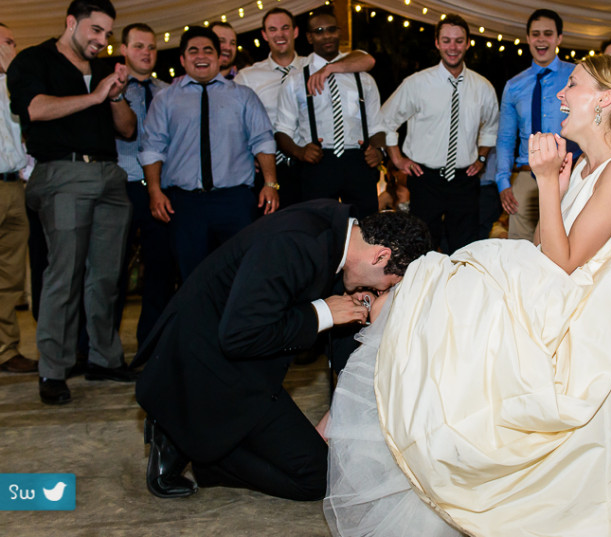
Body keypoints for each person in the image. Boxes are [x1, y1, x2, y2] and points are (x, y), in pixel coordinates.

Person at [324, 54, 611, 536]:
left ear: (605, 99)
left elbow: (563, 262)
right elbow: (547, 251)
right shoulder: (595, 165)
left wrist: (547, 182)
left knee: (426, 300)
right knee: (431, 291)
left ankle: (410, 440)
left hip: (578, 307)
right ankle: (410, 435)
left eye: (573, 85)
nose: (561, 95)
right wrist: (557, 190)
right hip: (556, 288)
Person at [133, 203, 431, 501]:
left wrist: (346, 293)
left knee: (309, 462)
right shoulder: (293, 245)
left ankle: (200, 441)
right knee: (316, 479)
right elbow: (239, 336)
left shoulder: (335, 229)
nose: (379, 293)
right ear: (381, 256)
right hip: (204, 368)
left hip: (241, 362)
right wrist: (323, 312)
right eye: (386, 285)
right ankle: (180, 433)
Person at [7, 0, 136, 405]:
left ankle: (104, 358)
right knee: (63, 275)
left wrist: (115, 95)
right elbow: (35, 109)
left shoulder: (103, 68)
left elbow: (128, 131)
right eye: (95, 30)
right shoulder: (34, 60)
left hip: (110, 176)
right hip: (62, 174)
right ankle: (54, 369)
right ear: (71, 22)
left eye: (107, 33)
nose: (101, 40)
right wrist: (95, 96)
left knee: (106, 277)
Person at [139, 26, 278, 280]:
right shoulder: (165, 99)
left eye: (208, 50)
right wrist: (154, 191)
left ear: (218, 57)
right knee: (191, 278)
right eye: (193, 51)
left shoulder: (243, 96)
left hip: (235, 201)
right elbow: (152, 147)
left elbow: (263, 141)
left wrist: (270, 183)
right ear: (182, 59)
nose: (201, 56)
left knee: (241, 275)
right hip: (184, 204)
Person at [379, 14, 499, 252]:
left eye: (458, 41)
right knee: (422, 247)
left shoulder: (483, 87)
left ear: (467, 43)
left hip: (464, 180)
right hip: (425, 178)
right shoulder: (416, 84)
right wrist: (397, 158)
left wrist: (482, 158)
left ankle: (459, 289)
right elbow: (386, 120)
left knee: (465, 248)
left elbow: (491, 127)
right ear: (437, 43)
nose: (452, 47)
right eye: (446, 40)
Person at [236, 8, 375, 206]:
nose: (280, 34)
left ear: (295, 32)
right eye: (273, 29)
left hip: (309, 163)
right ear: (265, 35)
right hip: (272, 167)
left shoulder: (312, 64)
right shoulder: (248, 76)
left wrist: (329, 68)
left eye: (285, 28)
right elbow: (237, 123)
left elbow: (365, 59)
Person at [273, 8, 384, 217]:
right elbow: (282, 130)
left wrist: (378, 150)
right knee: (318, 228)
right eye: (319, 31)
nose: (327, 36)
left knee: (368, 228)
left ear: (340, 32)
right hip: (318, 163)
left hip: (357, 161)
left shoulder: (363, 78)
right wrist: (300, 152)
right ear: (309, 37)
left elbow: (377, 125)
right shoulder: (296, 79)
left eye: (332, 30)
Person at [115, 23, 176, 348]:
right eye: (139, 46)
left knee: (160, 271)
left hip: (160, 188)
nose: (146, 53)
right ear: (123, 50)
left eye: (151, 47)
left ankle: (151, 344)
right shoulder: (109, 88)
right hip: (120, 186)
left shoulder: (169, 91)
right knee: (112, 272)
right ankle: (102, 349)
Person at [496, 9, 578, 240]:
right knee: (519, 252)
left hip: (568, 174)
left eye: (548, 33)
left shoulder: (577, 76)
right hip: (525, 179)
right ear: (528, 38)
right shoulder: (514, 85)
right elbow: (505, 139)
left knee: (564, 245)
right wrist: (503, 182)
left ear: (559, 38)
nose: (541, 39)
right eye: (535, 34)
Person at [0, 22, 38, 374]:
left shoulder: (14, 86)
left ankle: (6, 349)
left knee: (9, 275)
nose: (12, 48)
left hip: (14, 185)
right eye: (7, 42)